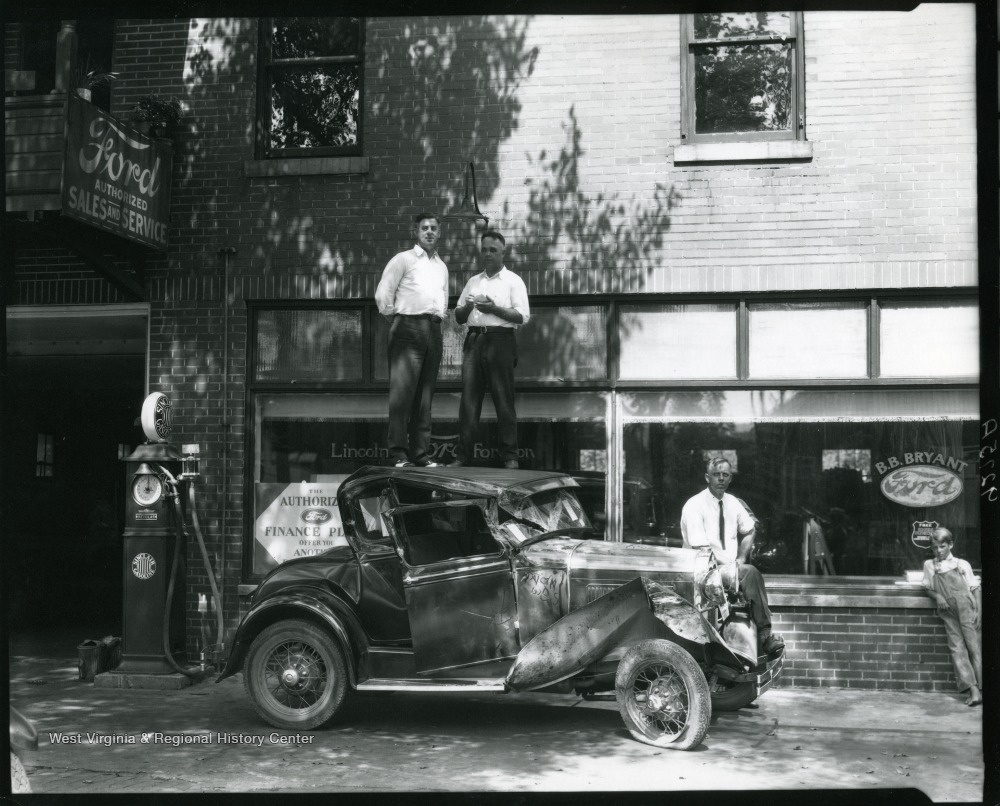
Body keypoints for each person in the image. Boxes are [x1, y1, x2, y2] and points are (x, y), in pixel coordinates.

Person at [680, 457, 785, 655]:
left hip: (727, 570)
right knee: (751, 574)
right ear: (707, 477)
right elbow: (702, 550)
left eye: (725, 475)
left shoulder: (733, 503)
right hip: (700, 571)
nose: (720, 479)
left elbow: (750, 530)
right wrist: (734, 567)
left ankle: (747, 645)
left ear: (730, 478)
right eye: (716, 475)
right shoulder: (694, 505)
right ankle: (765, 636)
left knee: (746, 572)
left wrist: (741, 558)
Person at [449, 229, 530, 469]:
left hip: (501, 341)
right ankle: (462, 457)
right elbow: (459, 316)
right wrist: (467, 308)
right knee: (469, 402)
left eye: (493, 250)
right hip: (474, 341)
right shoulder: (474, 281)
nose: (487, 254)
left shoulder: (513, 281)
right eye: (484, 250)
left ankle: (510, 457)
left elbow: (522, 316)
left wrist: (493, 309)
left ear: (503, 252)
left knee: (503, 400)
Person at [375, 213, 449, 468]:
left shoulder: (442, 267)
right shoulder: (403, 260)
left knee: (425, 397)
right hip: (407, 326)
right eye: (424, 228)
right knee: (402, 395)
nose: (429, 232)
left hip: (433, 330)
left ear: (439, 233)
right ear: (415, 231)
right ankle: (398, 454)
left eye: (434, 228)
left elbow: (443, 301)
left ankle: (420, 454)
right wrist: (399, 322)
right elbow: (383, 296)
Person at [922, 527, 982, 706]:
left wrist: (978, 610)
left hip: (967, 609)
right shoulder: (930, 565)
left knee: (975, 648)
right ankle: (973, 690)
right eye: (934, 548)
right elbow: (927, 587)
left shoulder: (962, 564)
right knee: (957, 649)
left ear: (950, 545)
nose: (938, 551)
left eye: (942, 546)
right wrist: (938, 596)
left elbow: (974, 587)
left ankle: (982, 689)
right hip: (948, 611)